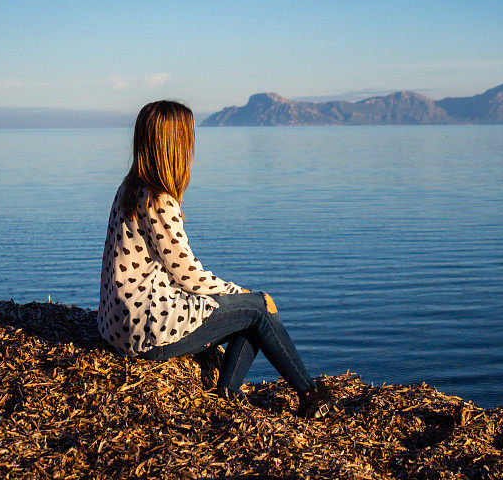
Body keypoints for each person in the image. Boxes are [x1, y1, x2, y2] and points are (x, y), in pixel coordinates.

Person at [98, 99, 335, 420]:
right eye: (190, 137)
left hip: (118, 323)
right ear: (176, 144)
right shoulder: (159, 199)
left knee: (247, 312)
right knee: (259, 308)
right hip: (146, 328)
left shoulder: (129, 189)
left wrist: (238, 301)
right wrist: (243, 295)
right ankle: (310, 394)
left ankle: (230, 391)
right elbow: (187, 274)